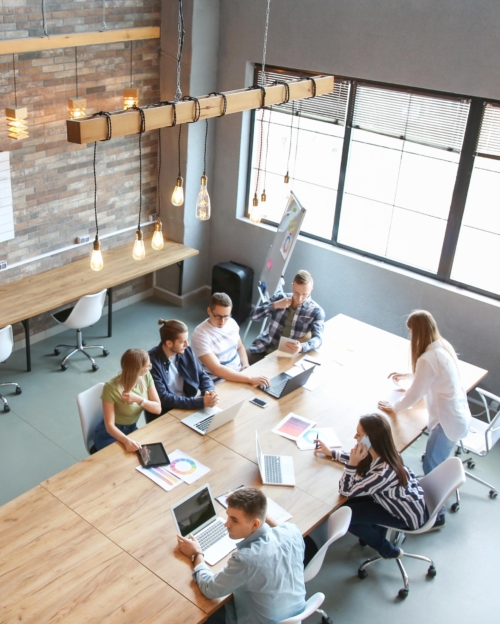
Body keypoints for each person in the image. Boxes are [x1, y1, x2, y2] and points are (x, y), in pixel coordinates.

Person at [377, 310, 471, 528]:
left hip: (447, 422)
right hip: (456, 415)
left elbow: (414, 395)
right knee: (433, 461)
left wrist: (394, 407)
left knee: (432, 468)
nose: (411, 338)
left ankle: (436, 517)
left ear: (417, 333)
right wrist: (408, 375)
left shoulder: (428, 358)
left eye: (411, 333)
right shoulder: (441, 346)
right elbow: (428, 377)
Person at [176, 487, 306, 624]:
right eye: (228, 515)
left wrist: (197, 554)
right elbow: (280, 530)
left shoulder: (247, 560)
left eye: (235, 520)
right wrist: (258, 512)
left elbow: (210, 588)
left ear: (255, 524)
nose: (227, 524)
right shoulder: (293, 532)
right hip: (295, 615)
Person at [316, 413, 428, 559]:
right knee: (347, 505)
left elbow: (345, 489)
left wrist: (352, 465)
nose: (355, 438)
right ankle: (373, 530)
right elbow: (362, 461)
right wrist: (331, 452)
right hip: (394, 500)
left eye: (358, 434)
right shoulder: (384, 451)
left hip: (404, 516)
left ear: (370, 439)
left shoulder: (382, 474)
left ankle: (388, 550)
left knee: (347, 518)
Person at [145, 319, 219, 423]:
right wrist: (200, 402)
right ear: (169, 343)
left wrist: (209, 392)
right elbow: (164, 398)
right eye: (182, 342)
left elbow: (201, 374)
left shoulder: (185, 351)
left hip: (186, 406)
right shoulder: (151, 362)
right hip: (165, 413)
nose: (187, 344)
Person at [191, 292, 270, 387]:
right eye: (218, 316)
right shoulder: (200, 335)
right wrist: (248, 379)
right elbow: (216, 369)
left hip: (239, 374)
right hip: (219, 382)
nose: (222, 321)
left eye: (226, 316)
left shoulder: (232, 323)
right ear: (209, 311)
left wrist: (245, 365)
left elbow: (240, 347)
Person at [247, 269, 325, 365]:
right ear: (292, 286)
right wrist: (274, 305)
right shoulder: (280, 298)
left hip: (285, 356)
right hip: (263, 346)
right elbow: (253, 316)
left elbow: (318, 339)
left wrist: (302, 347)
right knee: (238, 363)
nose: (299, 298)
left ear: (311, 290)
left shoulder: (316, 311)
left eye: (304, 294)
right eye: (296, 293)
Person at [93, 348, 161, 452]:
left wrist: (139, 400)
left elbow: (157, 409)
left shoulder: (146, 376)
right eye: (148, 366)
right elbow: (109, 426)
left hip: (132, 428)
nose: (150, 368)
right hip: (110, 434)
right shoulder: (110, 388)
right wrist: (126, 441)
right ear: (137, 369)